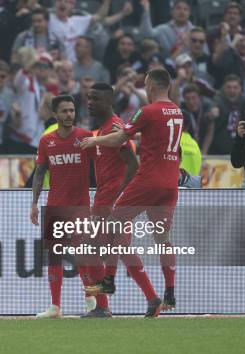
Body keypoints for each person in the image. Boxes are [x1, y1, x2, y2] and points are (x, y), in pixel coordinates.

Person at [81, 68, 183, 317]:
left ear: (150, 85)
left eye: (94, 99)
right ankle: (161, 295)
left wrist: (94, 142)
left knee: (94, 245)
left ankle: (105, 295)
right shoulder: (177, 111)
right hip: (169, 184)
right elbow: (155, 138)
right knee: (150, 242)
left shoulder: (134, 116)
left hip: (138, 187)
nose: (90, 103)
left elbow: (125, 147)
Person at [30, 94, 102, 319]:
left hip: (80, 207)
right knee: (54, 256)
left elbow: (100, 166)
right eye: (64, 111)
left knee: (83, 256)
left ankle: (91, 301)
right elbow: (39, 173)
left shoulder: (85, 137)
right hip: (55, 206)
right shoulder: (46, 141)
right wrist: (34, 204)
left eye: (72, 110)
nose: (69, 115)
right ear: (55, 114)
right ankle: (55, 307)